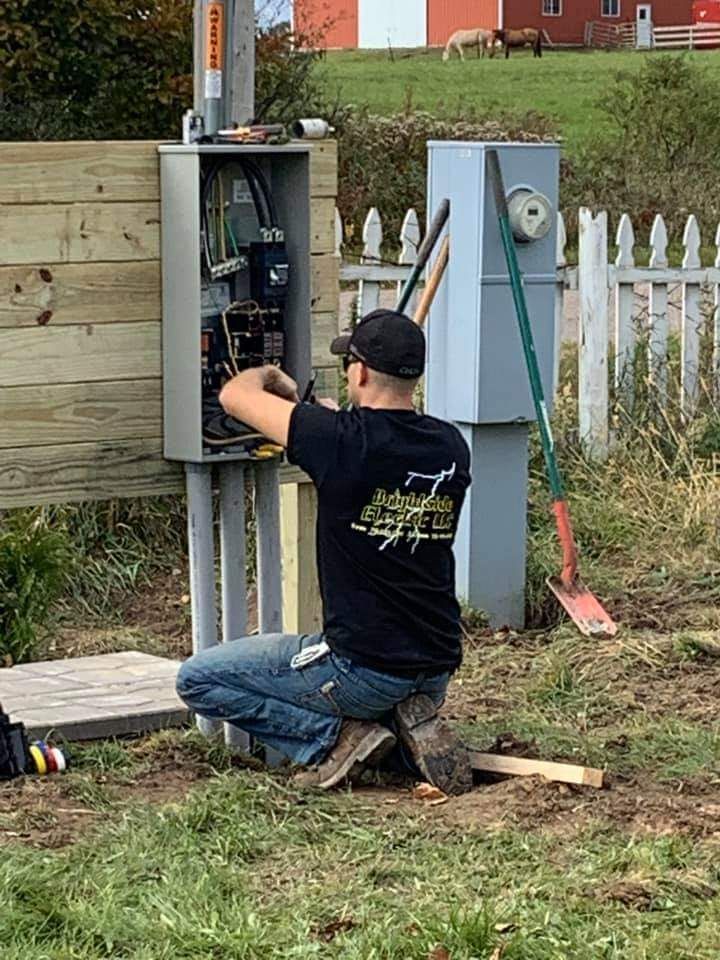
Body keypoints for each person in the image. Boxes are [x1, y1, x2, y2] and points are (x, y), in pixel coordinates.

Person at [176, 310, 473, 794]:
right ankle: (404, 733)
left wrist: (270, 376)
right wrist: (328, 423)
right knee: (384, 689)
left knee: (198, 679)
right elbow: (384, 451)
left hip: (360, 668)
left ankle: (335, 739)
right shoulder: (449, 446)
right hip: (435, 664)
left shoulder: (334, 440)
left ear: (358, 372)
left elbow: (234, 396)